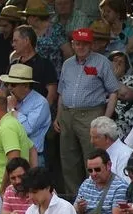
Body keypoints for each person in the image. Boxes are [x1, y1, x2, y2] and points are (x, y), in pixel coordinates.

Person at [56, 27, 119, 199]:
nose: (81, 47)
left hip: (91, 114)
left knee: (91, 157)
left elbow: (114, 91)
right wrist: (58, 116)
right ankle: (73, 200)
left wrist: (105, 119)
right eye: (77, 43)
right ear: (72, 44)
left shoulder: (102, 62)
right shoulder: (67, 64)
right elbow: (61, 92)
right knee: (68, 159)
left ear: (91, 45)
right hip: (67, 113)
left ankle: (93, 198)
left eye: (84, 44)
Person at [1, 63, 50, 166]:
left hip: (33, 158)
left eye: (13, 85)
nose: (9, 87)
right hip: (12, 156)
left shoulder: (40, 103)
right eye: (7, 84)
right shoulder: (10, 100)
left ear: (26, 86)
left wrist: (12, 110)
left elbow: (28, 129)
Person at [10, 24, 57, 106]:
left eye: (15, 41)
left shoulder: (45, 64)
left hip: (37, 110)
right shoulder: (13, 65)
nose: (13, 44)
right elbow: (5, 90)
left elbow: (52, 94)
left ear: (26, 40)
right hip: (15, 111)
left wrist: (41, 110)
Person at [21, 0, 68, 74]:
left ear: (35, 18)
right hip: (31, 74)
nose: (26, 19)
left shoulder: (56, 29)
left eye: (27, 16)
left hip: (52, 74)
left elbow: (68, 52)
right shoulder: (29, 31)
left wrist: (65, 72)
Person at [107, 50, 133, 139]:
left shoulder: (131, 79)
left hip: (124, 119)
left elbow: (125, 94)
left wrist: (112, 77)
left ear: (126, 67)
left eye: (121, 62)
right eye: (115, 60)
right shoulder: (101, 79)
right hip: (106, 116)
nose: (118, 63)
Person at [91, 116, 133, 184]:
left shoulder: (125, 156)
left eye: (95, 138)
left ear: (107, 138)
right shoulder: (100, 154)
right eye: (91, 137)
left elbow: (126, 185)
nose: (92, 141)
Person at [99, 0, 133, 65]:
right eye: (103, 11)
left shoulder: (131, 23)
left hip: (130, 61)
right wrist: (105, 27)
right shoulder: (102, 25)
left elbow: (131, 48)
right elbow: (99, 48)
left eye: (108, 11)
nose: (104, 14)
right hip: (107, 61)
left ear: (118, 12)